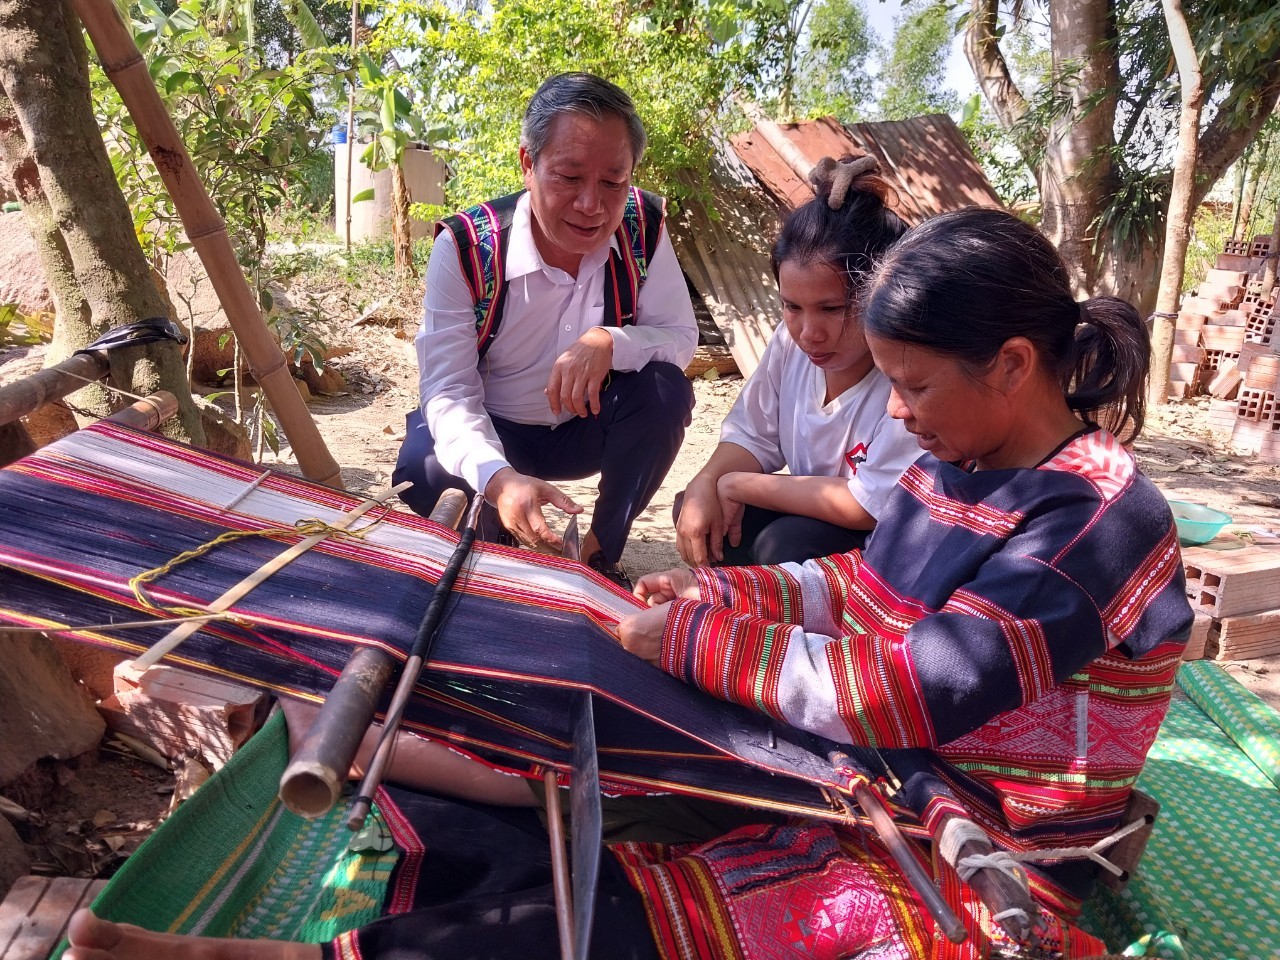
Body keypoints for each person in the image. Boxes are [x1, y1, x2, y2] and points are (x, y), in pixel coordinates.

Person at [65, 210, 1193, 960]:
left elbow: (922, 685)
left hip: (975, 837)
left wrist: (696, 645)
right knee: (570, 773)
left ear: (1011, 365)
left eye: (913, 385)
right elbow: (863, 589)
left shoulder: (1098, 517)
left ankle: (261, 955)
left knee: (672, 916)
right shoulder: (964, 461)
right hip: (873, 775)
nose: (896, 412)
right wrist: (720, 603)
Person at [392, 72, 697, 588]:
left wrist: (610, 342)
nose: (591, 205)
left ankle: (599, 556)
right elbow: (448, 390)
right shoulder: (466, 249)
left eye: (613, 182)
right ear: (528, 165)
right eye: (569, 177)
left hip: (587, 427)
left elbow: (679, 337)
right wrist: (499, 479)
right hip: (497, 428)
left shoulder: (644, 227)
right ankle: (499, 548)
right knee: (424, 466)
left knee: (665, 392)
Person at [674, 155, 921, 567]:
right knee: (700, 507)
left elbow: (869, 503)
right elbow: (752, 435)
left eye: (832, 308)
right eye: (792, 307)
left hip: (886, 541)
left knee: (785, 544)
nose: (809, 333)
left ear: (882, 296)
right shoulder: (790, 346)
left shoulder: (906, 377)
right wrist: (707, 481)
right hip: (815, 515)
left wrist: (735, 484)